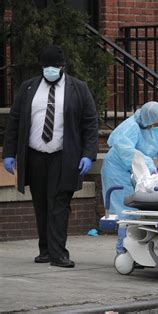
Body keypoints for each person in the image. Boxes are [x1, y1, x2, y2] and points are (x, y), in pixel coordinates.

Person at [2, 45, 98, 268]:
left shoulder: (79, 89)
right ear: (41, 67)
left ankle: (58, 254)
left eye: (54, 66)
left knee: (59, 204)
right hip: (35, 155)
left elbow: (90, 124)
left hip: (63, 156)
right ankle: (44, 250)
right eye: (47, 66)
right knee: (41, 203)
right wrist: (9, 153)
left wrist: (88, 154)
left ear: (63, 67)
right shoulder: (28, 89)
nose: (50, 70)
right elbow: (14, 122)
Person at [101, 101, 158, 254]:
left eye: (157, 124)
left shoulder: (155, 127)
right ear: (147, 119)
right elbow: (128, 153)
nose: (154, 127)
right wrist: (149, 165)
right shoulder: (130, 127)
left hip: (136, 169)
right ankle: (122, 249)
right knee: (125, 211)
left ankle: (135, 248)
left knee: (136, 209)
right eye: (153, 124)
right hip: (117, 171)